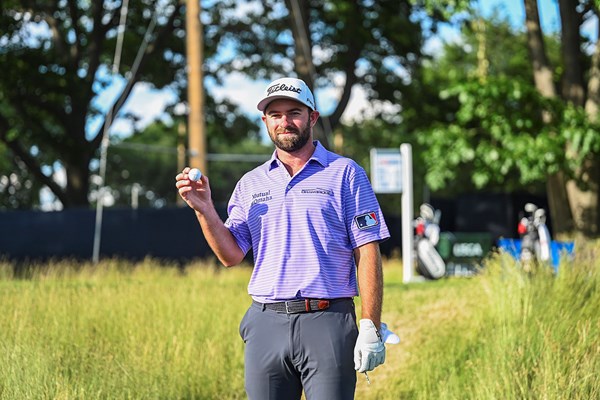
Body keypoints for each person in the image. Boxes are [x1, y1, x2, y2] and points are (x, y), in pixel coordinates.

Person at [175, 77, 390, 400]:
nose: (284, 122)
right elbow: (230, 255)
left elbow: (368, 250)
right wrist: (204, 209)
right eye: (275, 114)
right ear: (265, 121)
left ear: (312, 117)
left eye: (294, 112)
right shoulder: (251, 183)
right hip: (266, 322)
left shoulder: (346, 173)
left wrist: (370, 325)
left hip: (328, 319)